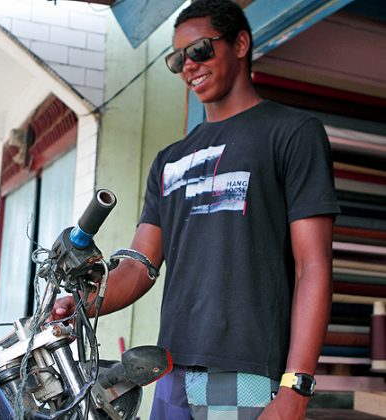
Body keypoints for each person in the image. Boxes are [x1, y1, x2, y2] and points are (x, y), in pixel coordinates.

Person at [53, 0, 340, 418]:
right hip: (169, 370)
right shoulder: (169, 160)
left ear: (241, 43)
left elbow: (313, 265)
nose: (188, 65)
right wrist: (85, 303)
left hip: (246, 371)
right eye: (176, 59)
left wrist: (296, 385)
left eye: (200, 50)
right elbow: (139, 265)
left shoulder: (293, 133)